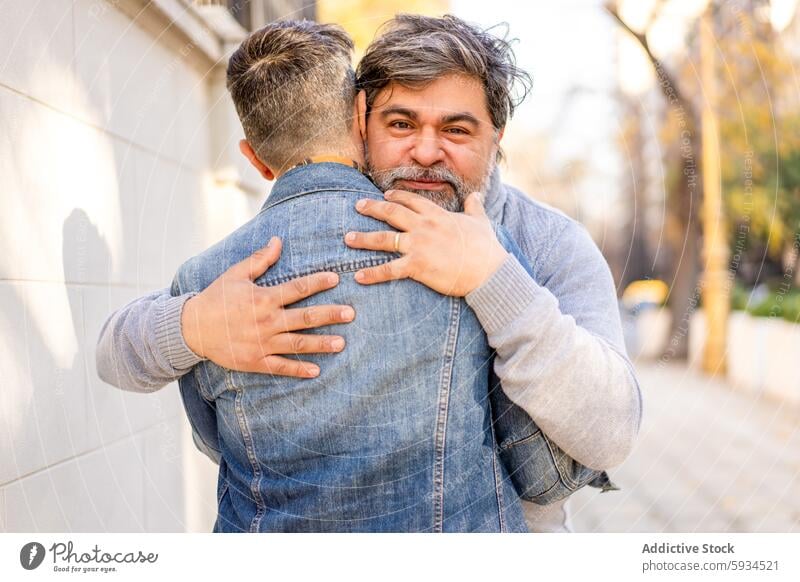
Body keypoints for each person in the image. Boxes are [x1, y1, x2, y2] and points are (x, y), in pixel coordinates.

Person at [96, 15, 641, 532]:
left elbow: (612, 433)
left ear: (495, 141)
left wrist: (495, 281)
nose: (426, 152)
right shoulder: (298, 239)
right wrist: (193, 326)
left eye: (457, 129)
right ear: (360, 126)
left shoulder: (549, 243)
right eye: (401, 123)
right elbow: (116, 354)